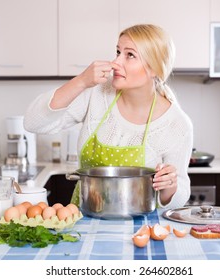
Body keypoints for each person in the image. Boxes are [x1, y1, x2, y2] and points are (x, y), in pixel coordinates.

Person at [24, 24, 193, 209]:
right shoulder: (97, 93)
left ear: (154, 68)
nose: (116, 62)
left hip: (138, 227)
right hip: (84, 221)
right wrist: (81, 81)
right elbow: (33, 123)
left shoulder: (177, 124)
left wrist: (169, 188)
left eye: (130, 55)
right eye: (118, 52)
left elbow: (180, 196)